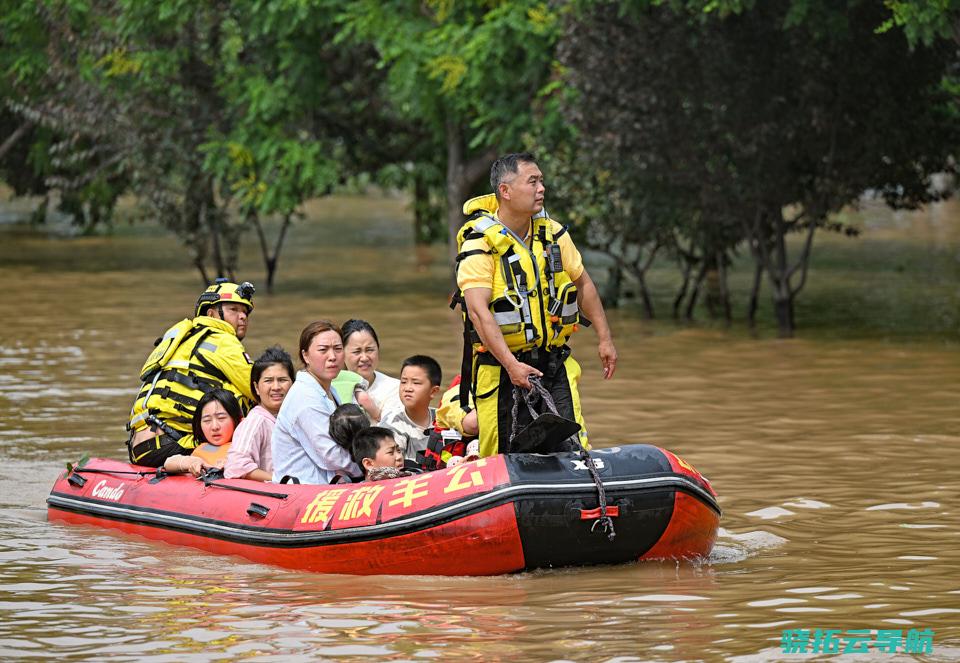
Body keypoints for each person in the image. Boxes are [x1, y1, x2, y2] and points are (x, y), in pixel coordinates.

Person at [454, 152, 618, 456]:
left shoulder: (553, 234)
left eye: (542, 180)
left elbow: (584, 285)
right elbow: (478, 311)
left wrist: (605, 339)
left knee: (575, 450)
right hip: (502, 370)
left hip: (553, 365)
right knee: (503, 457)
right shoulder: (480, 243)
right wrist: (512, 365)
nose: (541, 188)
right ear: (505, 191)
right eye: (533, 181)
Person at [126, 279, 257, 467]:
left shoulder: (183, 338)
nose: (242, 316)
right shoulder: (222, 340)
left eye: (245, 311)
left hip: (140, 446)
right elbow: (259, 389)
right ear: (211, 313)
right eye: (233, 310)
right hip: (175, 444)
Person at [271, 321, 360, 484]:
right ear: (305, 355)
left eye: (338, 349)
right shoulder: (305, 397)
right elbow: (331, 455)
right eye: (323, 350)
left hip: (329, 483)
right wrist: (367, 467)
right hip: (304, 490)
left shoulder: (327, 388)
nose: (332, 357)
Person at [224, 346, 296, 481]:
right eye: (268, 380)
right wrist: (279, 481)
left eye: (282, 380)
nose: (276, 387)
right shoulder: (256, 421)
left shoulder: (295, 417)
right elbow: (235, 465)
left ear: (293, 384)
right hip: (277, 495)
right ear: (256, 387)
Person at [164, 389, 243, 477]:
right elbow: (168, 463)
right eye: (207, 420)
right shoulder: (201, 448)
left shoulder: (249, 447)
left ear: (238, 419)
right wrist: (192, 462)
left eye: (221, 418)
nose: (214, 427)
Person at [378, 355, 441, 461]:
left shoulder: (443, 418)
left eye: (416, 383)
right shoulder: (392, 422)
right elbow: (392, 466)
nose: (407, 388)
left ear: (433, 391)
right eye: (403, 382)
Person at [341, 319, 401, 420]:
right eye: (357, 351)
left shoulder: (396, 389)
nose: (364, 358)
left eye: (370, 350)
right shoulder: (331, 387)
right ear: (341, 354)